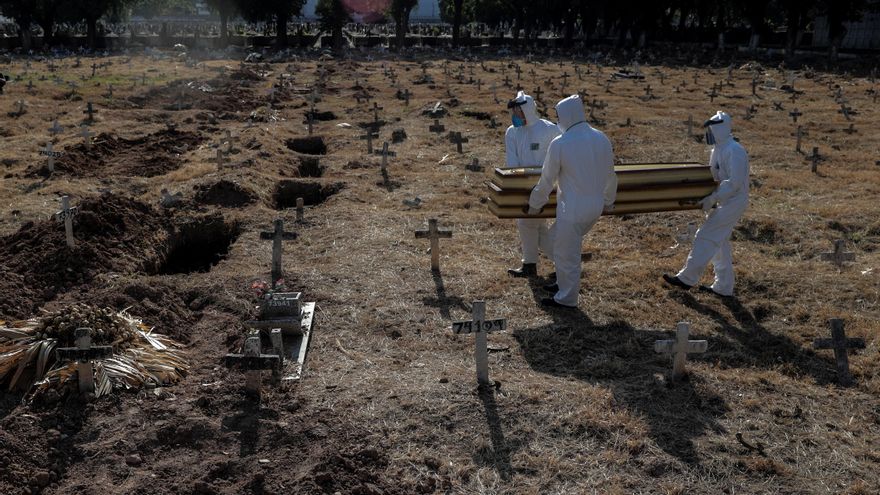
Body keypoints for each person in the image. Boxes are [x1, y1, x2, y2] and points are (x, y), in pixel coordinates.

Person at [528, 95, 617, 308]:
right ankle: (562, 282)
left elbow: (547, 178)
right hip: (594, 206)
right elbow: (610, 174)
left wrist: (535, 203)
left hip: (572, 208)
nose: (557, 120)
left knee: (567, 255)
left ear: (566, 116)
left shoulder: (560, 143)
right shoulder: (601, 138)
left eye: (558, 116)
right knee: (553, 241)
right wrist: (608, 200)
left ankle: (567, 298)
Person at [663, 111, 749, 297]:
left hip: (733, 202)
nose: (708, 134)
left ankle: (687, 278)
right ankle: (723, 287)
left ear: (720, 129)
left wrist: (713, 198)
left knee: (705, 236)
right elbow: (712, 175)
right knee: (719, 243)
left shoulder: (735, 150)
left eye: (711, 130)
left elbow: (734, 183)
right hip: (722, 201)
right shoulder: (717, 150)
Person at [505, 90, 562, 277]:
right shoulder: (512, 132)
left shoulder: (550, 129)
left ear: (526, 110)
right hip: (524, 186)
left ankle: (540, 264)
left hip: (548, 185)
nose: (514, 116)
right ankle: (563, 262)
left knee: (528, 224)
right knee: (534, 225)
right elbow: (512, 163)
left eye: (517, 111)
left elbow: (558, 157)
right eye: (513, 112)